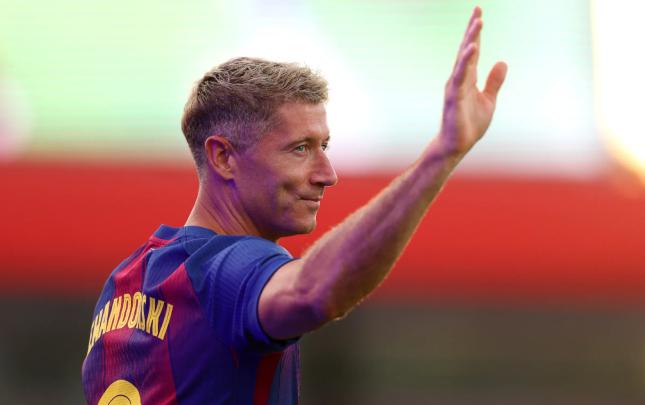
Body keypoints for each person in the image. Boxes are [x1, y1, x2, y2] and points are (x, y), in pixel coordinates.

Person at [81, 6, 507, 405]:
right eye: (300, 148)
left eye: (325, 146)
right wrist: (442, 154)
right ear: (223, 157)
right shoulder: (226, 270)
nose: (327, 173)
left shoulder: (124, 283)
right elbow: (313, 291)